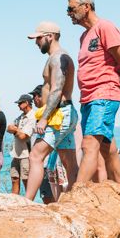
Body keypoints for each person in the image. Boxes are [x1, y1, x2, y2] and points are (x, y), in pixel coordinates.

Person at [67, 0, 120, 193]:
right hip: (88, 99)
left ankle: (77, 194)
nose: (68, 13)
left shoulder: (105, 27)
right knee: (108, 149)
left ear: (86, 7)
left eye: (71, 8)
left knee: (89, 145)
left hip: (104, 94)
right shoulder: (84, 36)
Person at [25, 22, 80, 201]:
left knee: (35, 156)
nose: (36, 43)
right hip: (64, 112)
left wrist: (44, 119)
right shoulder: (56, 57)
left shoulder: (59, 58)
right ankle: (74, 200)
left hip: (58, 114)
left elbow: (57, 89)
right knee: (69, 161)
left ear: (50, 36)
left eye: (38, 38)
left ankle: (26, 202)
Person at [6, 94, 36, 195]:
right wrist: (16, 130)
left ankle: (29, 202)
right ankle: (15, 203)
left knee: (26, 181)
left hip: (26, 154)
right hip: (16, 154)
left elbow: (23, 137)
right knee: (14, 178)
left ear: (26, 103)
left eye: (20, 103)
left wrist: (15, 130)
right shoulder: (22, 116)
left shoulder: (32, 117)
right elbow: (9, 127)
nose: (18, 105)